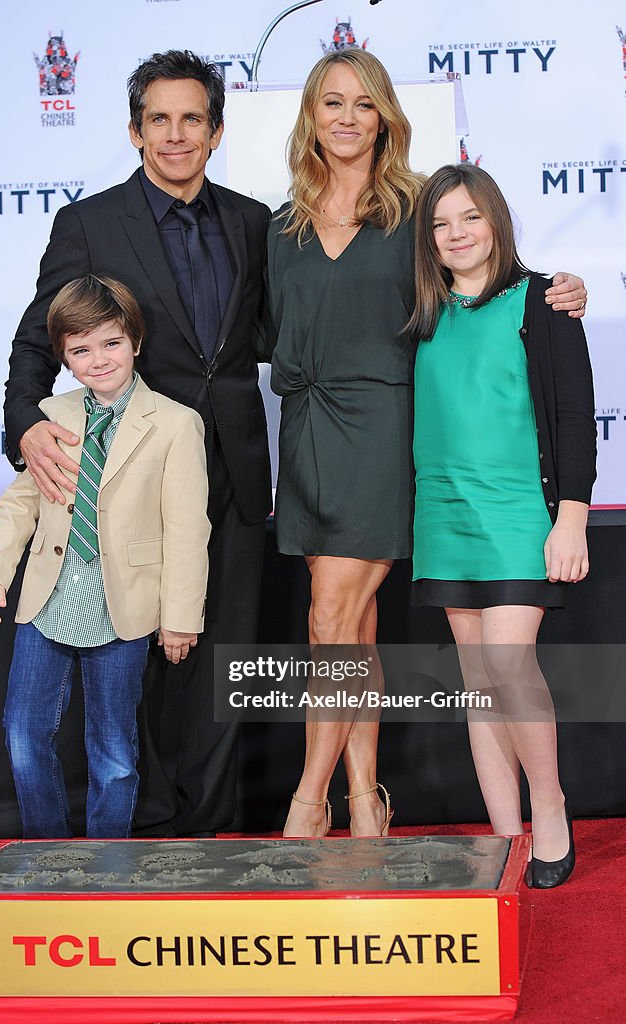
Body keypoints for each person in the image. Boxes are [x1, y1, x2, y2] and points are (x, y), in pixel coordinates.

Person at [264, 47, 588, 839]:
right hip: (307, 430)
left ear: (386, 118)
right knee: (352, 613)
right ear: (310, 114)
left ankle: (309, 801)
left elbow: (484, 268)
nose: (346, 118)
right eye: (331, 102)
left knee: (330, 612)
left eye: (363, 103)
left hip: (384, 430)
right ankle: (366, 798)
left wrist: (557, 290)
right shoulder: (279, 225)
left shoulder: (415, 209)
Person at [3, 51, 271, 837]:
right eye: (160, 119)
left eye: (193, 119)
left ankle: (207, 836)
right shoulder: (88, 224)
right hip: (126, 479)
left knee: (221, 665)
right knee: (136, 663)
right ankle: (144, 834)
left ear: (216, 132)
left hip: (237, 474)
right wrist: (26, 424)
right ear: (135, 130)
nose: (176, 134)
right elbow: (33, 338)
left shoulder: (256, 223)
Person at [406, 163, 596, 887]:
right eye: (440, 223)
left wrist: (570, 517)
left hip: (521, 512)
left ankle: (548, 807)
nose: (456, 234)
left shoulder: (546, 300)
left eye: (470, 218)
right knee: (478, 681)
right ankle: (506, 833)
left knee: (511, 666)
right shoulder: (419, 313)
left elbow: (577, 418)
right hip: (443, 516)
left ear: (496, 222)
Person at [0, 275, 210, 839]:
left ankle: (106, 869)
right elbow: (19, 504)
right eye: (80, 350)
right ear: (64, 358)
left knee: (114, 752)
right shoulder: (50, 413)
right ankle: (48, 854)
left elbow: (186, 530)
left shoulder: (176, 423)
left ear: (135, 341)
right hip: (48, 600)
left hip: (122, 607)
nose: (97, 360)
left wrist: (180, 618)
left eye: (110, 343)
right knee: (24, 735)